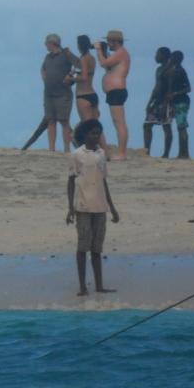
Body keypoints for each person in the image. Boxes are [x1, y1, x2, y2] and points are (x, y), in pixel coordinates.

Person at [65, 118, 119, 297]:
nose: (96, 137)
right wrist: (70, 208)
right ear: (85, 134)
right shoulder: (76, 154)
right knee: (83, 247)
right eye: (93, 133)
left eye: (98, 133)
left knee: (97, 249)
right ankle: (82, 286)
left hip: (100, 207)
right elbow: (71, 181)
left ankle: (99, 285)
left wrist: (112, 207)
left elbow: (104, 182)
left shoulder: (102, 154)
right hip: (83, 207)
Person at [96, 29, 130, 160]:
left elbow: (103, 63)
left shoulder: (121, 53)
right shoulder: (118, 54)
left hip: (117, 90)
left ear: (115, 41)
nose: (108, 43)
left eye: (109, 41)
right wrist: (103, 52)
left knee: (119, 122)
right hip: (114, 91)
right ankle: (122, 152)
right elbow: (108, 67)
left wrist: (99, 50)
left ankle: (122, 153)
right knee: (117, 122)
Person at [41, 34, 76, 153]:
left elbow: (80, 66)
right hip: (49, 94)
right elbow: (43, 69)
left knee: (64, 121)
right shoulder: (47, 57)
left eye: (46, 43)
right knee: (51, 120)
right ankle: (51, 148)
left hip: (63, 94)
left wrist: (70, 77)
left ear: (52, 43)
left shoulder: (66, 54)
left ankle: (67, 149)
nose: (45, 45)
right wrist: (44, 78)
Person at [72, 34, 108, 147]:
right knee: (96, 125)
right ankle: (104, 150)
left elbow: (83, 77)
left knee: (88, 126)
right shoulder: (92, 58)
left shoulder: (83, 58)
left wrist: (71, 77)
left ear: (79, 45)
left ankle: (92, 148)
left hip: (83, 95)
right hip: (92, 94)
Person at [142, 47, 174, 158]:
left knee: (166, 126)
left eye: (157, 54)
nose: (155, 56)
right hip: (157, 101)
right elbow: (156, 87)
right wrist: (149, 102)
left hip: (167, 102)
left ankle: (166, 154)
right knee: (147, 125)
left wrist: (166, 104)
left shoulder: (170, 69)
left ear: (164, 56)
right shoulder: (159, 69)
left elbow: (170, 89)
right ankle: (146, 151)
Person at [167, 50, 193, 160]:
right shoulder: (173, 70)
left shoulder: (180, 71)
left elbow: (188, 88)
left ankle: (184, 153)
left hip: (181, 101)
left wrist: (175, 93)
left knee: (181, 126)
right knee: (180, 126)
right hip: (177, 101)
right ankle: (182, 152)